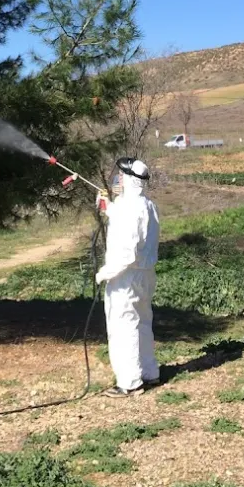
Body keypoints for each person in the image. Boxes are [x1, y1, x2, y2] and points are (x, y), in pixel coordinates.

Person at [95, 157, 160, 397]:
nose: (117, 179)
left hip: (126, 276)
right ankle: (149, 372)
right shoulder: (146, 205)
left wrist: (104, 273)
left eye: (121, 176)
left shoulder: (129, 207)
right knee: (142, 323)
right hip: (145, 276)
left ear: (131, 180)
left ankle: (130, 382)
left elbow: (127, 252)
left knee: (123, 326)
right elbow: (124, 218)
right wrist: (106, 205)